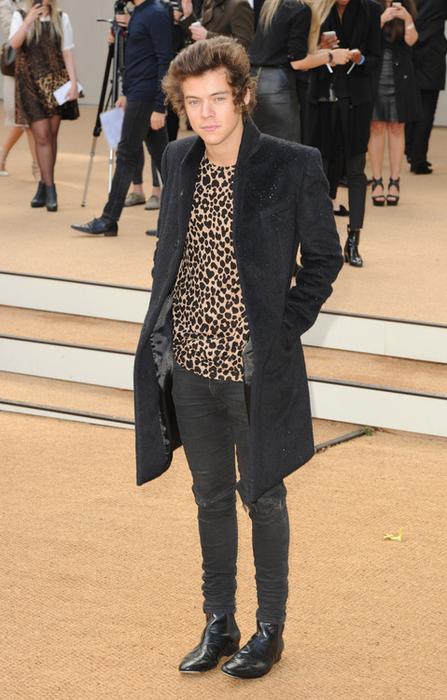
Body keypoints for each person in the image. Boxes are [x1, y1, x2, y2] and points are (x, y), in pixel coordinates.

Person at [133, 37, 343, 679]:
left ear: (244, 97)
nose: (207, 113)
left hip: (254, 368)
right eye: (194, 101)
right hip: (191, 365)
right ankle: (218, 621)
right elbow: (169, 251)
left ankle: (269, 629)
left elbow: (323, 259)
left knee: (264, 496)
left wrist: (283, 329)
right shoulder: (178, 157)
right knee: (209, 496)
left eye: (218, 99)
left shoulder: (292, 163)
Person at [71, 0, 172, 237]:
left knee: (126, 155)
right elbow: (138, 59)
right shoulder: (139, 13)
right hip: (138, 94)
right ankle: (177, 223)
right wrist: (127, 93)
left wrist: (160, 106)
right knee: (166, 162)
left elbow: (165, 61)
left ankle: (109, 219)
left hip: (146, 97)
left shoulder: (156, 13)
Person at [307, 0, 382, 268]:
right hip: (322, 99)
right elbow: (303, 55)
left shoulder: (371, 10)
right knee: (322, 169)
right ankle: (323, 242)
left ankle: (353, 240)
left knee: (355, 169)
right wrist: (322, 51)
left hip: (356, 99)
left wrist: (360, 59)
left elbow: (376, 58)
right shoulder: (317, 8)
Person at [8, 0, 79, 211]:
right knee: (42, 136)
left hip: (55, 83)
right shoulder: (21, 16)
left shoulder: (62, 18)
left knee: (51, 136)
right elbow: (14, 44)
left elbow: (67, 53)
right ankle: (50, 188)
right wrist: (28, 20)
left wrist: (73, 83)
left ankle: (43, 185)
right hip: (29, 85)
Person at [249, 0, 352, 142]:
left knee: (260, 145)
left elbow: (287, 54)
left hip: (255, 81)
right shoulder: (301, 9)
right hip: (278, 88)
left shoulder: (274, 4)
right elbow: (298, 63)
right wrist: (331, 56)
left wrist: (323, 52)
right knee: (286, 148)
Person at [368, 0, 419, 206]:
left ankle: (395, 181)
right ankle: (377, 181)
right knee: (376, 127)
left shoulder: (408, 8)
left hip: (402, 76)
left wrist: (407, 19)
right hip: (376, 74)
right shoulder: (372, 7)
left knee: (397, 128)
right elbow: (365, 40)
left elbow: (412, 41)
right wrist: (381, 20)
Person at [405, 0, 447, 174]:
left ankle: (410, 150)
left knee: (411, 105)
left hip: (409, 49)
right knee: (427, 109)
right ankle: (418, 158)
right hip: (433, 52)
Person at [0, 0, 39, 178]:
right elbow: (13, 34)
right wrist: (29, 20)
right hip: (16, 67)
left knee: (27, 119)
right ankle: (39, 167)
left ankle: (2, 154)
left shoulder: (30, 2)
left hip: (36, 66)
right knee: (25, 119)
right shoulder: (4, 5)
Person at [179, 0, 254, 49]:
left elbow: (243, 43)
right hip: (207, 61)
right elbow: (199, 36)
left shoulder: (239, 4)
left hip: (226, 65)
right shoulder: (209, 2)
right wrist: (188, 15)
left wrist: (208, 36)